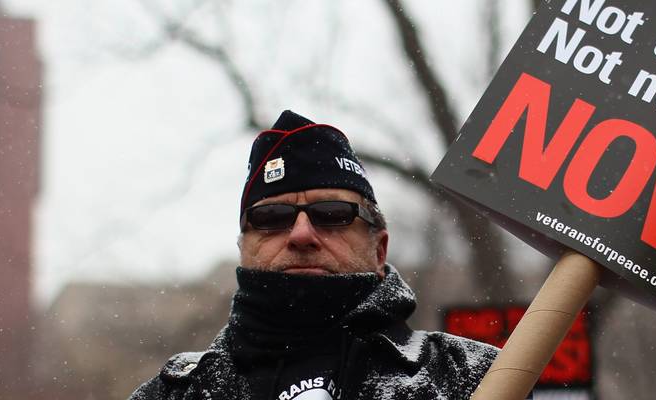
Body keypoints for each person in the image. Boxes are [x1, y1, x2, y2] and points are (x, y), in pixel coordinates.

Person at [129, 110, 499, 400]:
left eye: (333, 214)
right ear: (243, 248)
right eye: (272, 217)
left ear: (379, 249)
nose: (301, 234)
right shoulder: (172, 394)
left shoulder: (482, 379)